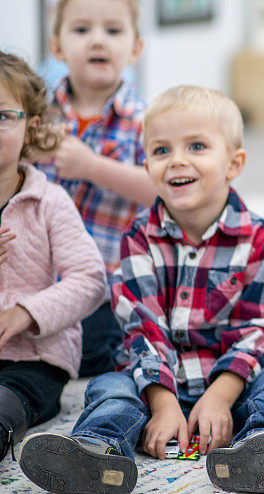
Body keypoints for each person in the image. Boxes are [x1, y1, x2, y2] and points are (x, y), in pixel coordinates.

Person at [19, 86, 264, 494]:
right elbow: (142, 328)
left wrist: (219, 397)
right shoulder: (139, 237)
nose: (177, 159)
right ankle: (97, 451)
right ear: (147, 165)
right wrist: (162, 402)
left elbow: (263, 329)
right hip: (154, 381)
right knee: (109, 388)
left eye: (196, 146)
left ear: (234, 163)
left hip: (238, 382)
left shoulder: (261, 240)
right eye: (161, 151)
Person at [34, 0, 156, 376]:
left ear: (135, 48)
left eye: (114, 31)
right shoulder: (36, 113)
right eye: (82, 30)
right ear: (56, 47)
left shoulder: (146, 119)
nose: (98, 41)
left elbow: (162, 189)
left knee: (98, 354)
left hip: (104, 288)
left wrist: (92, 166)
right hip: (37, 278)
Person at [0, 51, 106, 462]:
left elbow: (90, 279)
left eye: (3, 116)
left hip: (34, 359)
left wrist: (24, 313)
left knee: (9, 402)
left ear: (32, 128)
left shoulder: (50, 201)